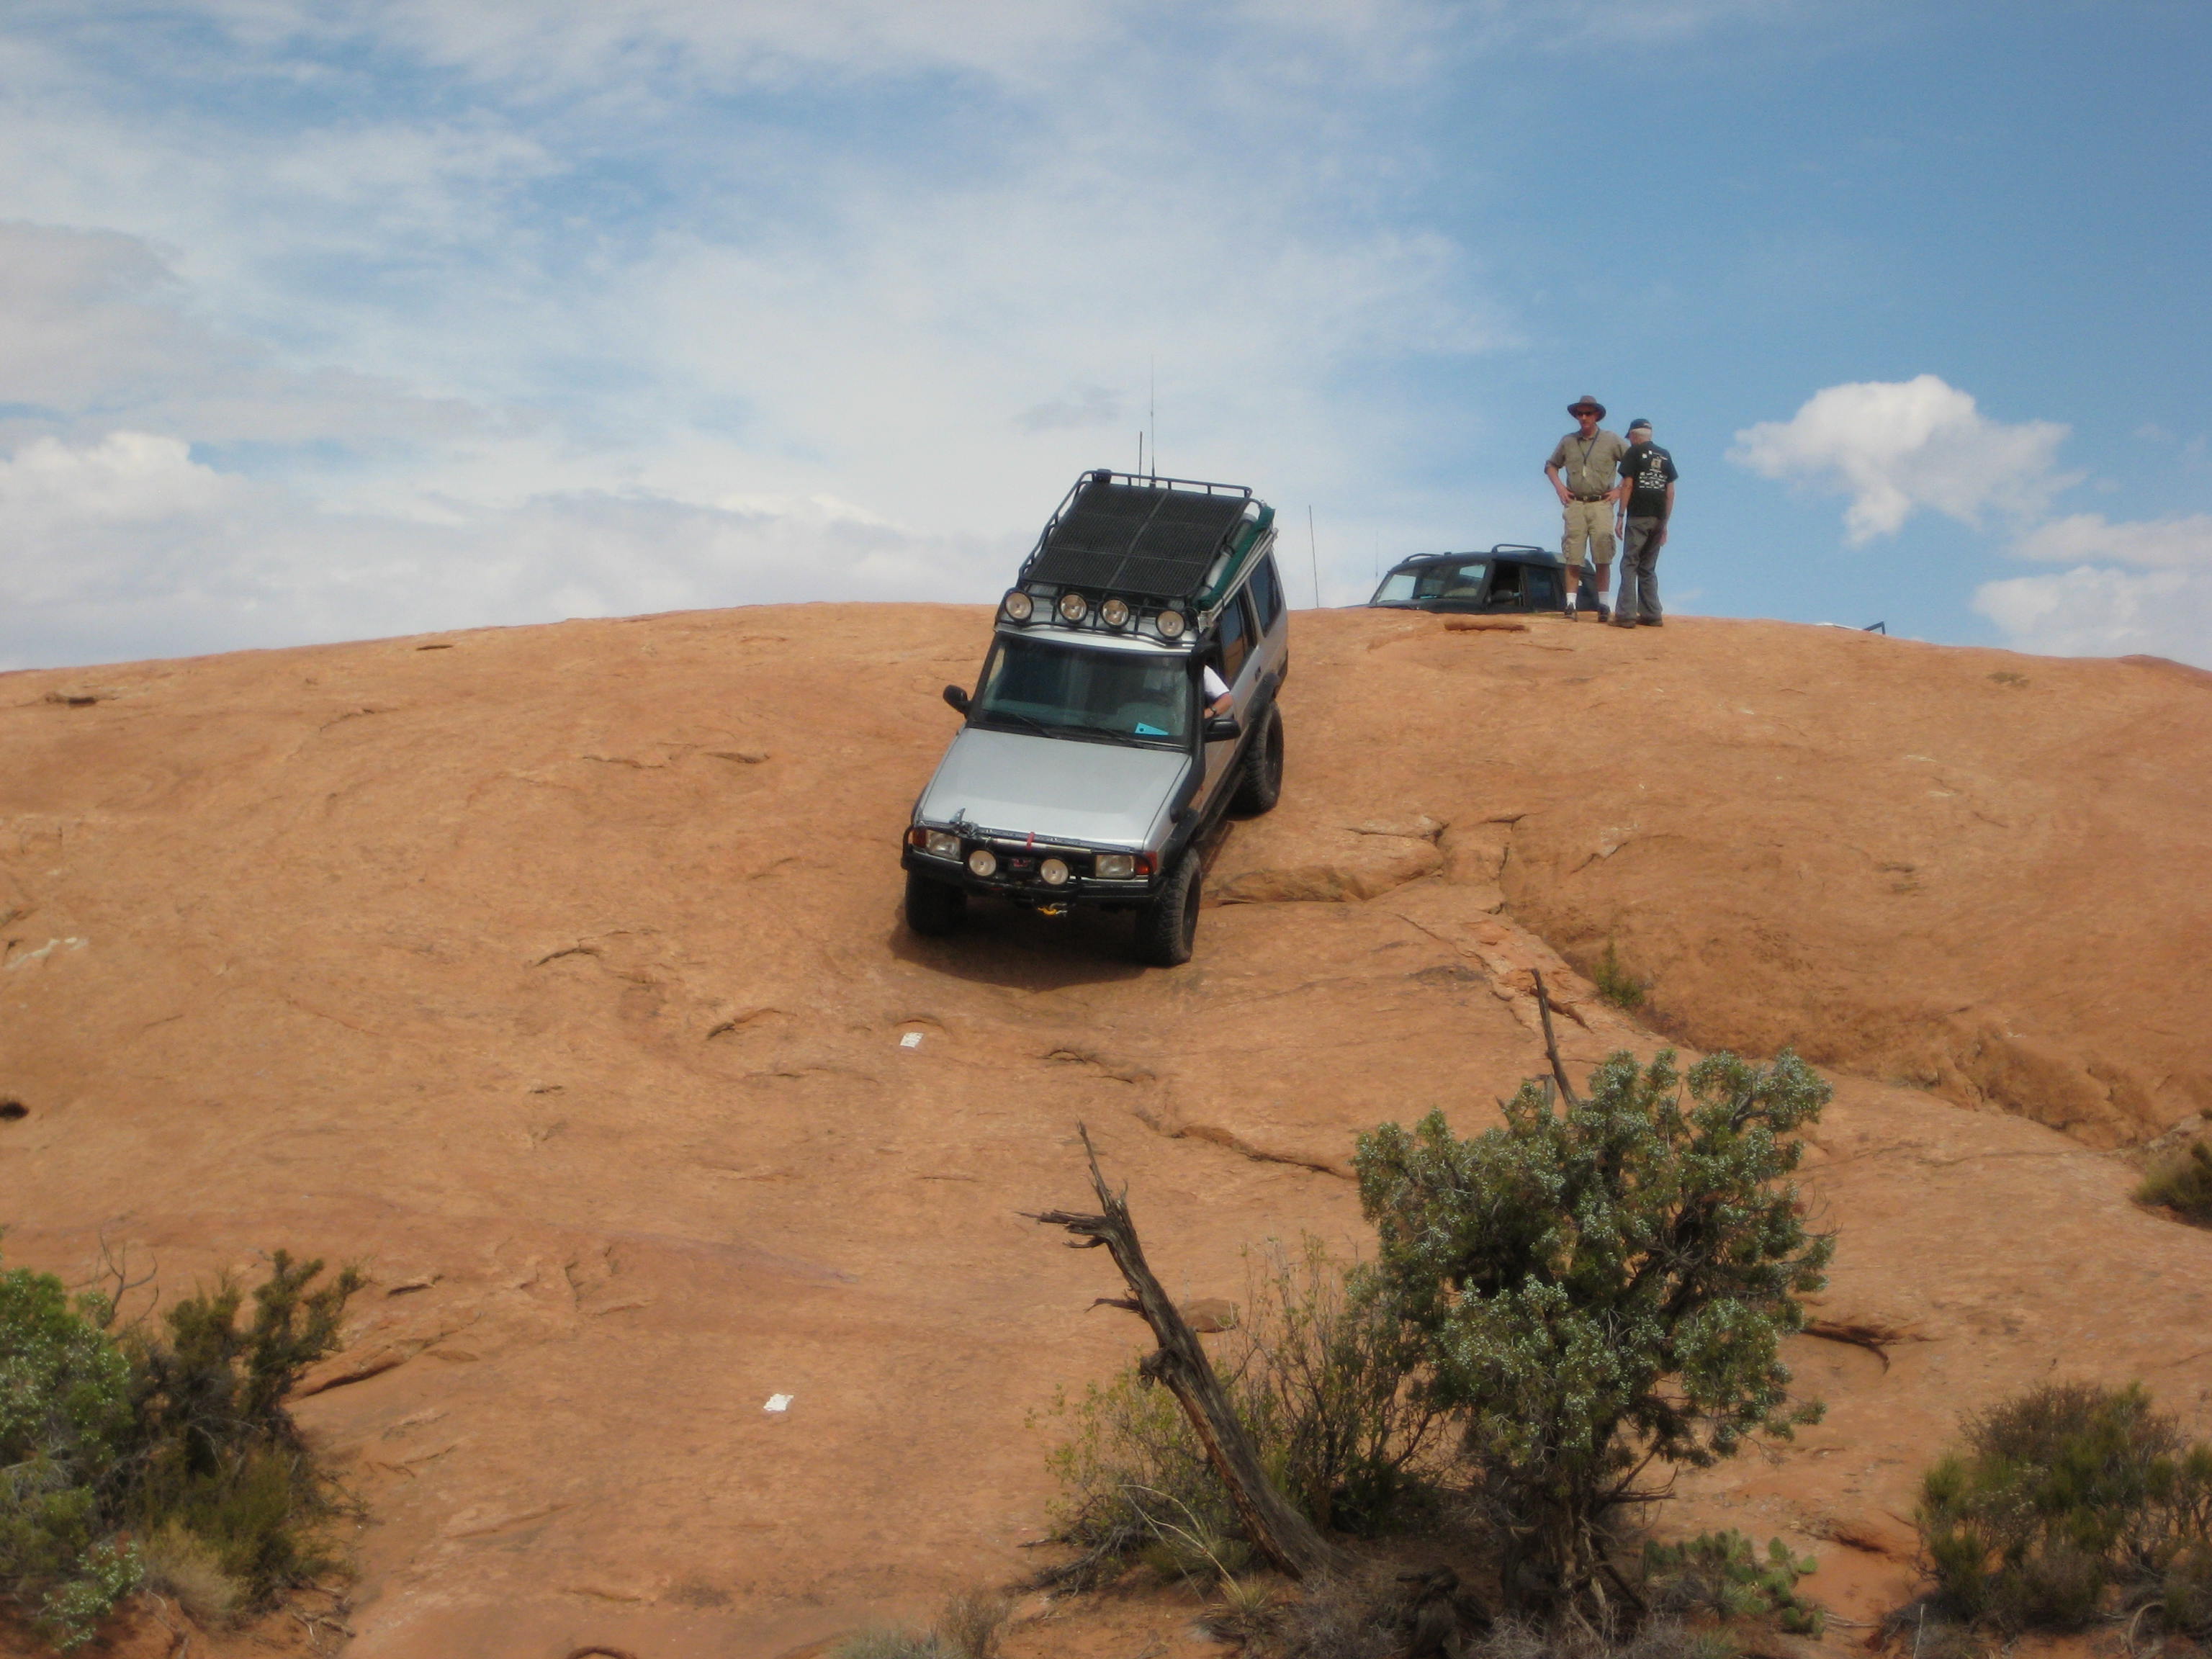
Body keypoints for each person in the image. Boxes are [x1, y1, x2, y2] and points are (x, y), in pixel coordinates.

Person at [1543, 395, 1627, 619]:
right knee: (1573, 554)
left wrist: (1619, 490)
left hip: (1601, 503)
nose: (1583, 417)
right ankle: (1571, 604)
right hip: (1576, 504)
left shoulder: (1611, 440)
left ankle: (1603, 604)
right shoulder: (1568, 441)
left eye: (1588, 413)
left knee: (1603, 552)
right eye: (1580, 414)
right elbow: (1551, 465)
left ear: (1596, 415)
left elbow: (1632, 466)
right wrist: (1560, 488)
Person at [1611, 418, 1677, 628]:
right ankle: (1652, 614)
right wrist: (1665, 523)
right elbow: (1670, 491)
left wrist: (1620, 515)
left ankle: (1626, 615)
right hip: (1659, 516)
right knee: (1648, 566)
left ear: (1633, 435)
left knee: (1630, 563)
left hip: (1639, 515)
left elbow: (1628, 485)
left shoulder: (1633, 452)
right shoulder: (1664, 455)